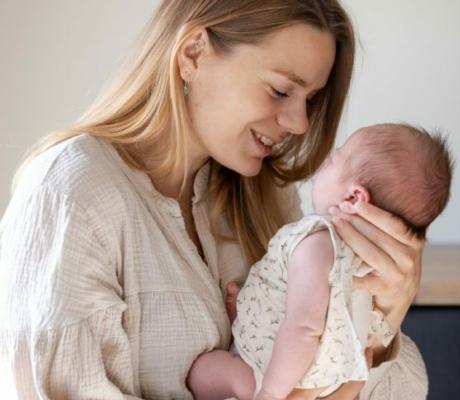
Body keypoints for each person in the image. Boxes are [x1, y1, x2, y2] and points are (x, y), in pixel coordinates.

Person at [0, 1, 428, 399]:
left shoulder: (268, 201)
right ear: (192, 55)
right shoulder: (73, 192)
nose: (299, 124)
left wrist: (383, 322)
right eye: (281, 91)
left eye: (310, 100)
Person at [186, 123, 453, 400]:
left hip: (283, 374)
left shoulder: (316, 241)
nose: (324, 161)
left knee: (203, 371)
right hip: (334, 378)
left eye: (334, 159)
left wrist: (269, 392)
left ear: (354, 197)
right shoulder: (363, 264)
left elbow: (304, 327)